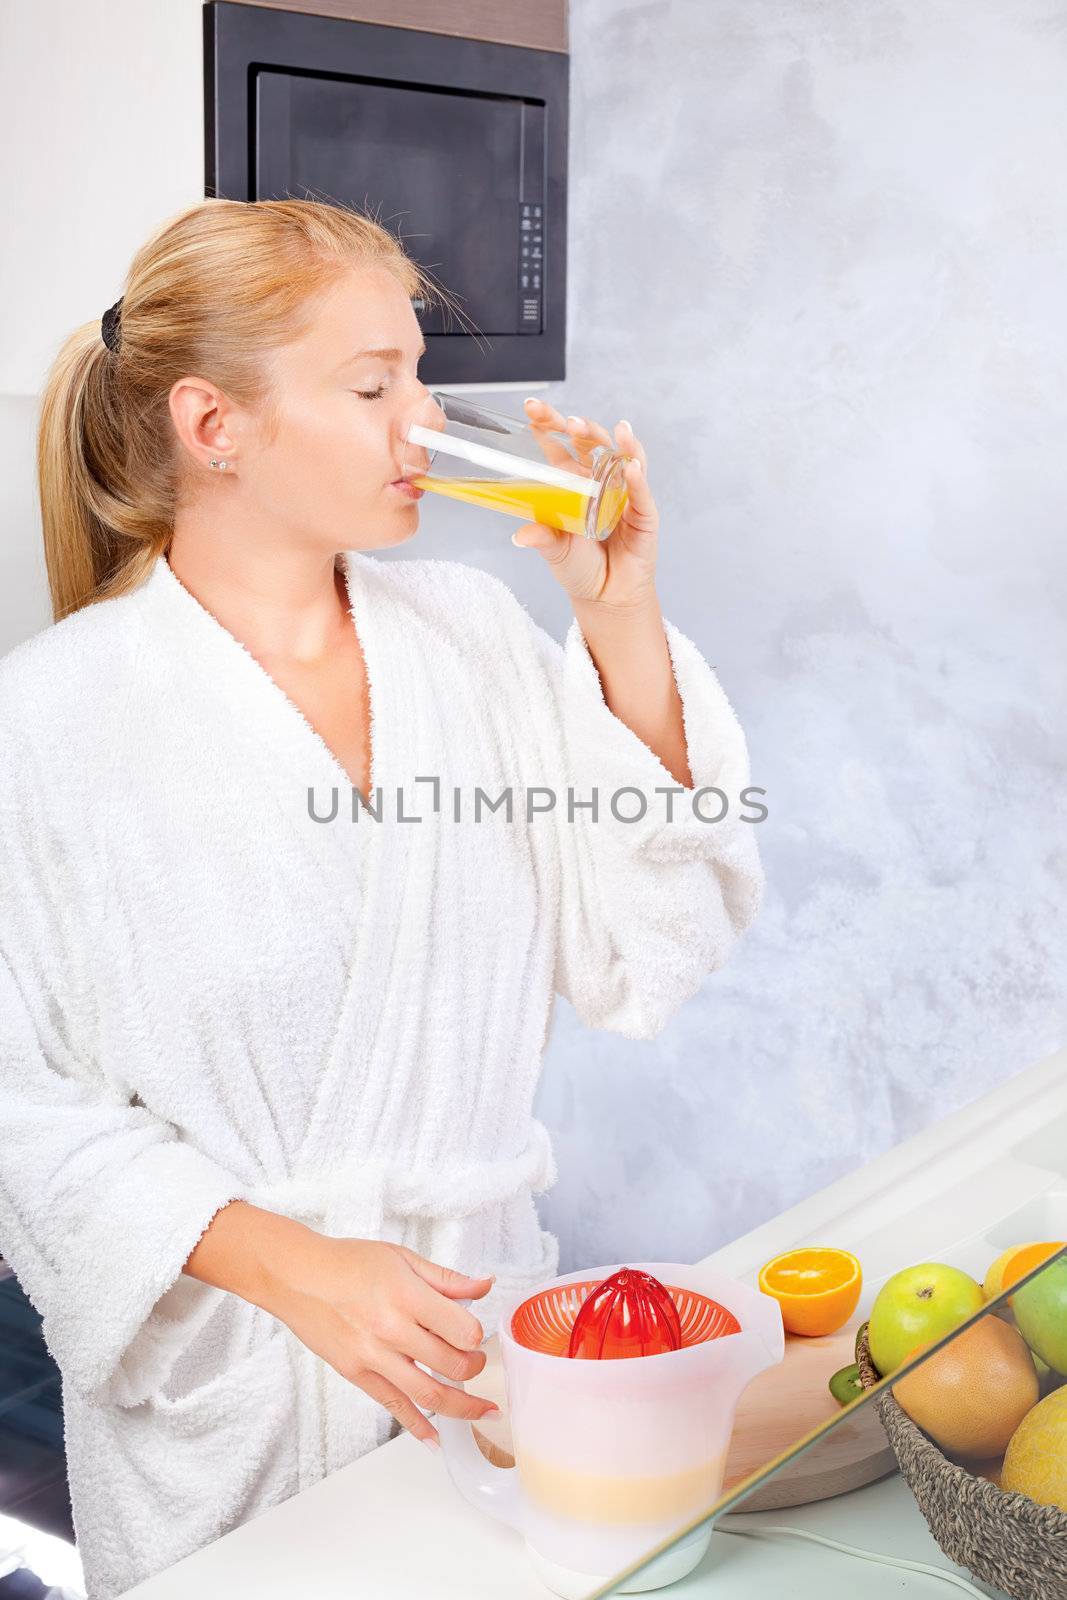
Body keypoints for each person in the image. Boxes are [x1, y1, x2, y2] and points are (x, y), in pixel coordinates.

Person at [0, 197, 764, 1599]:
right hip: (230, 1422)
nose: (422, 421)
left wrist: (618, 613)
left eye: (419, 376)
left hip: (476, 1373)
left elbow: (645, 941)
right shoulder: (50, 722)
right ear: (212, 426)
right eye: (372, 386)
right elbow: (18, 1102)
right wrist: (291, 1263)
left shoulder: (468, 639)